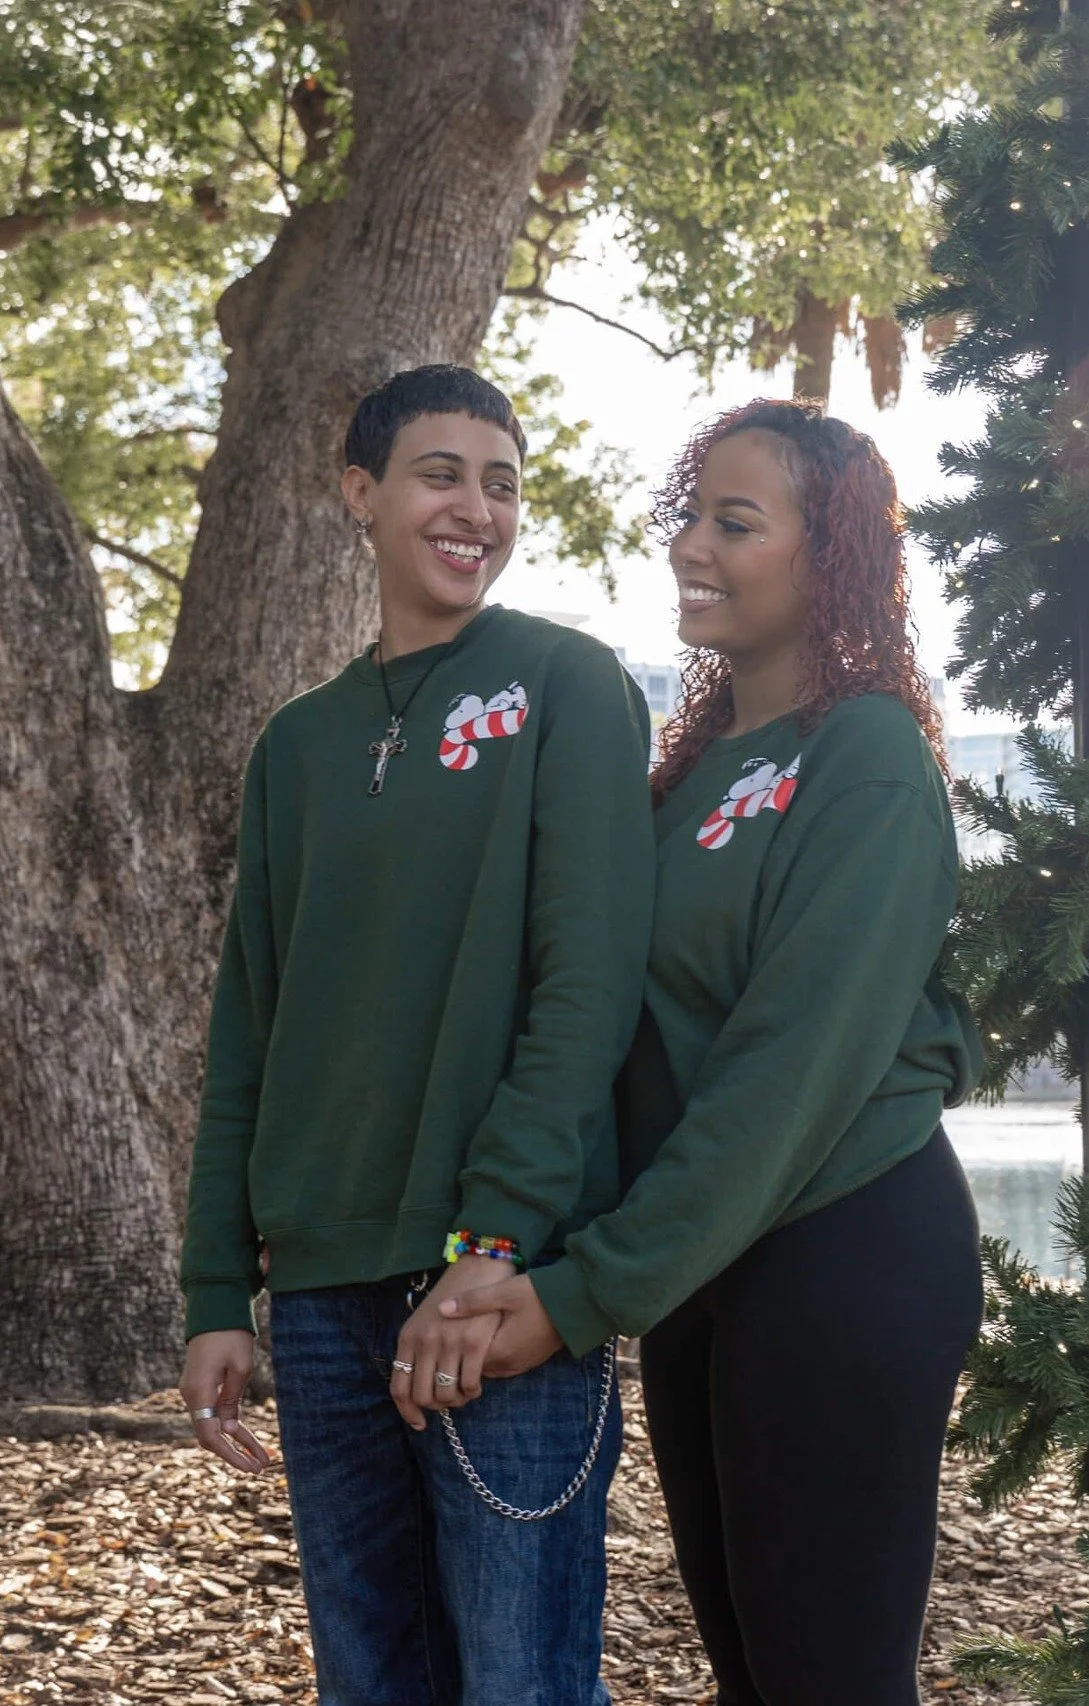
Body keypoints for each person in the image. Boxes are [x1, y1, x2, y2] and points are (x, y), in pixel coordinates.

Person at [445, 398, 986, 1706]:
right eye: (690, 513)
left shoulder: (865, 758)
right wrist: (502, 1250)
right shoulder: (686, 773)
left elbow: (787, 1076)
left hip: (845, 1246)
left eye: (734, 521)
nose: (692, 542)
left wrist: (582, 1297)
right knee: (751, 1677)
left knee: (830, 1679)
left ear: (831, 552)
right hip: (702, 1270)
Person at [178, 364, 655, 1706]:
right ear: (360, 493)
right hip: (325, 1296)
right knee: (370, 1682)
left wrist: (495, 1238)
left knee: (520, 1684)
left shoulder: (566, 683)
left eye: (503, 483)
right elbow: (249, 1030)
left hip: (497, 1297)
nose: (478, 507)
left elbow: (589, 989)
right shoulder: (301, 745)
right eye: (443, 472)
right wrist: (218, 1289)